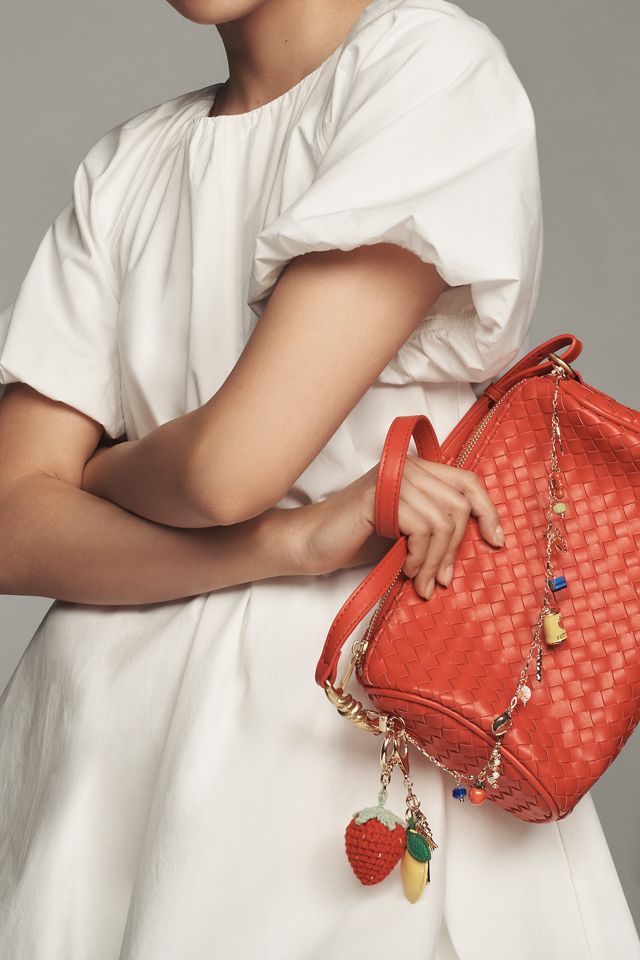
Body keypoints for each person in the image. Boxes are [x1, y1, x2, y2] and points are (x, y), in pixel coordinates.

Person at [0, 0, 638, 956]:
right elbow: (13, 527)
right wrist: (288, 543)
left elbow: (227, 471)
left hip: (333, 718)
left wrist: (88, 475)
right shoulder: (127, 164)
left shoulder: (423, 68)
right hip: (101, 748)